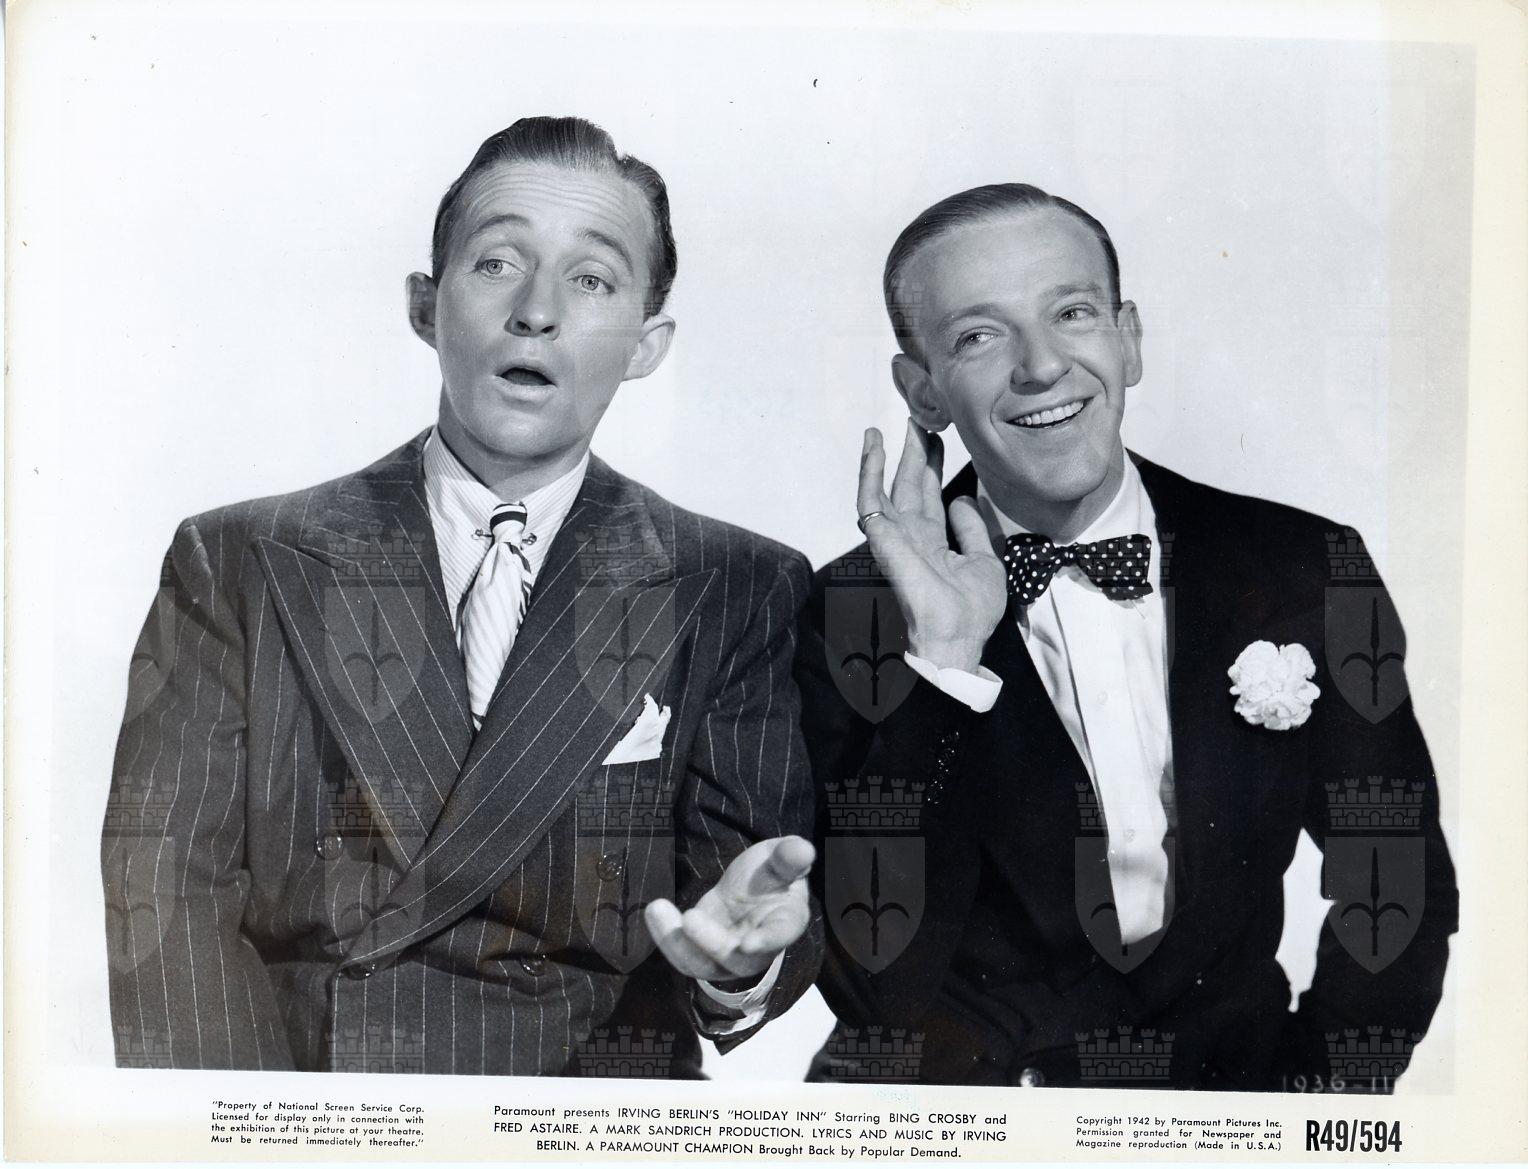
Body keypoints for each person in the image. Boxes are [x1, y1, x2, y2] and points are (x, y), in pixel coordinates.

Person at [100, 116, 821, 1075]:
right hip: (314, 1103)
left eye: (592, 279)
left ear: (648, 344)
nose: (537, 311)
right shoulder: (239, 559)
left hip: (585, 1118)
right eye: (496, 264)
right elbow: (163, 896)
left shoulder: (736, 585)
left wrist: (740, 966)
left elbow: (748, 900)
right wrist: (252, 1132)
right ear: (424, 304)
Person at [796, 182, 1457, 1091]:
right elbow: (874, 988)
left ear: (1128, 339)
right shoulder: (842, 610)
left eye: (1071, 312)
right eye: (979, 336)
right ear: (924, 392)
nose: (1041, 366)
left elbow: (1395, 879)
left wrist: (1309, 1110)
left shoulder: (1304, 566)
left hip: (1229, 1113)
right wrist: (944, 666)